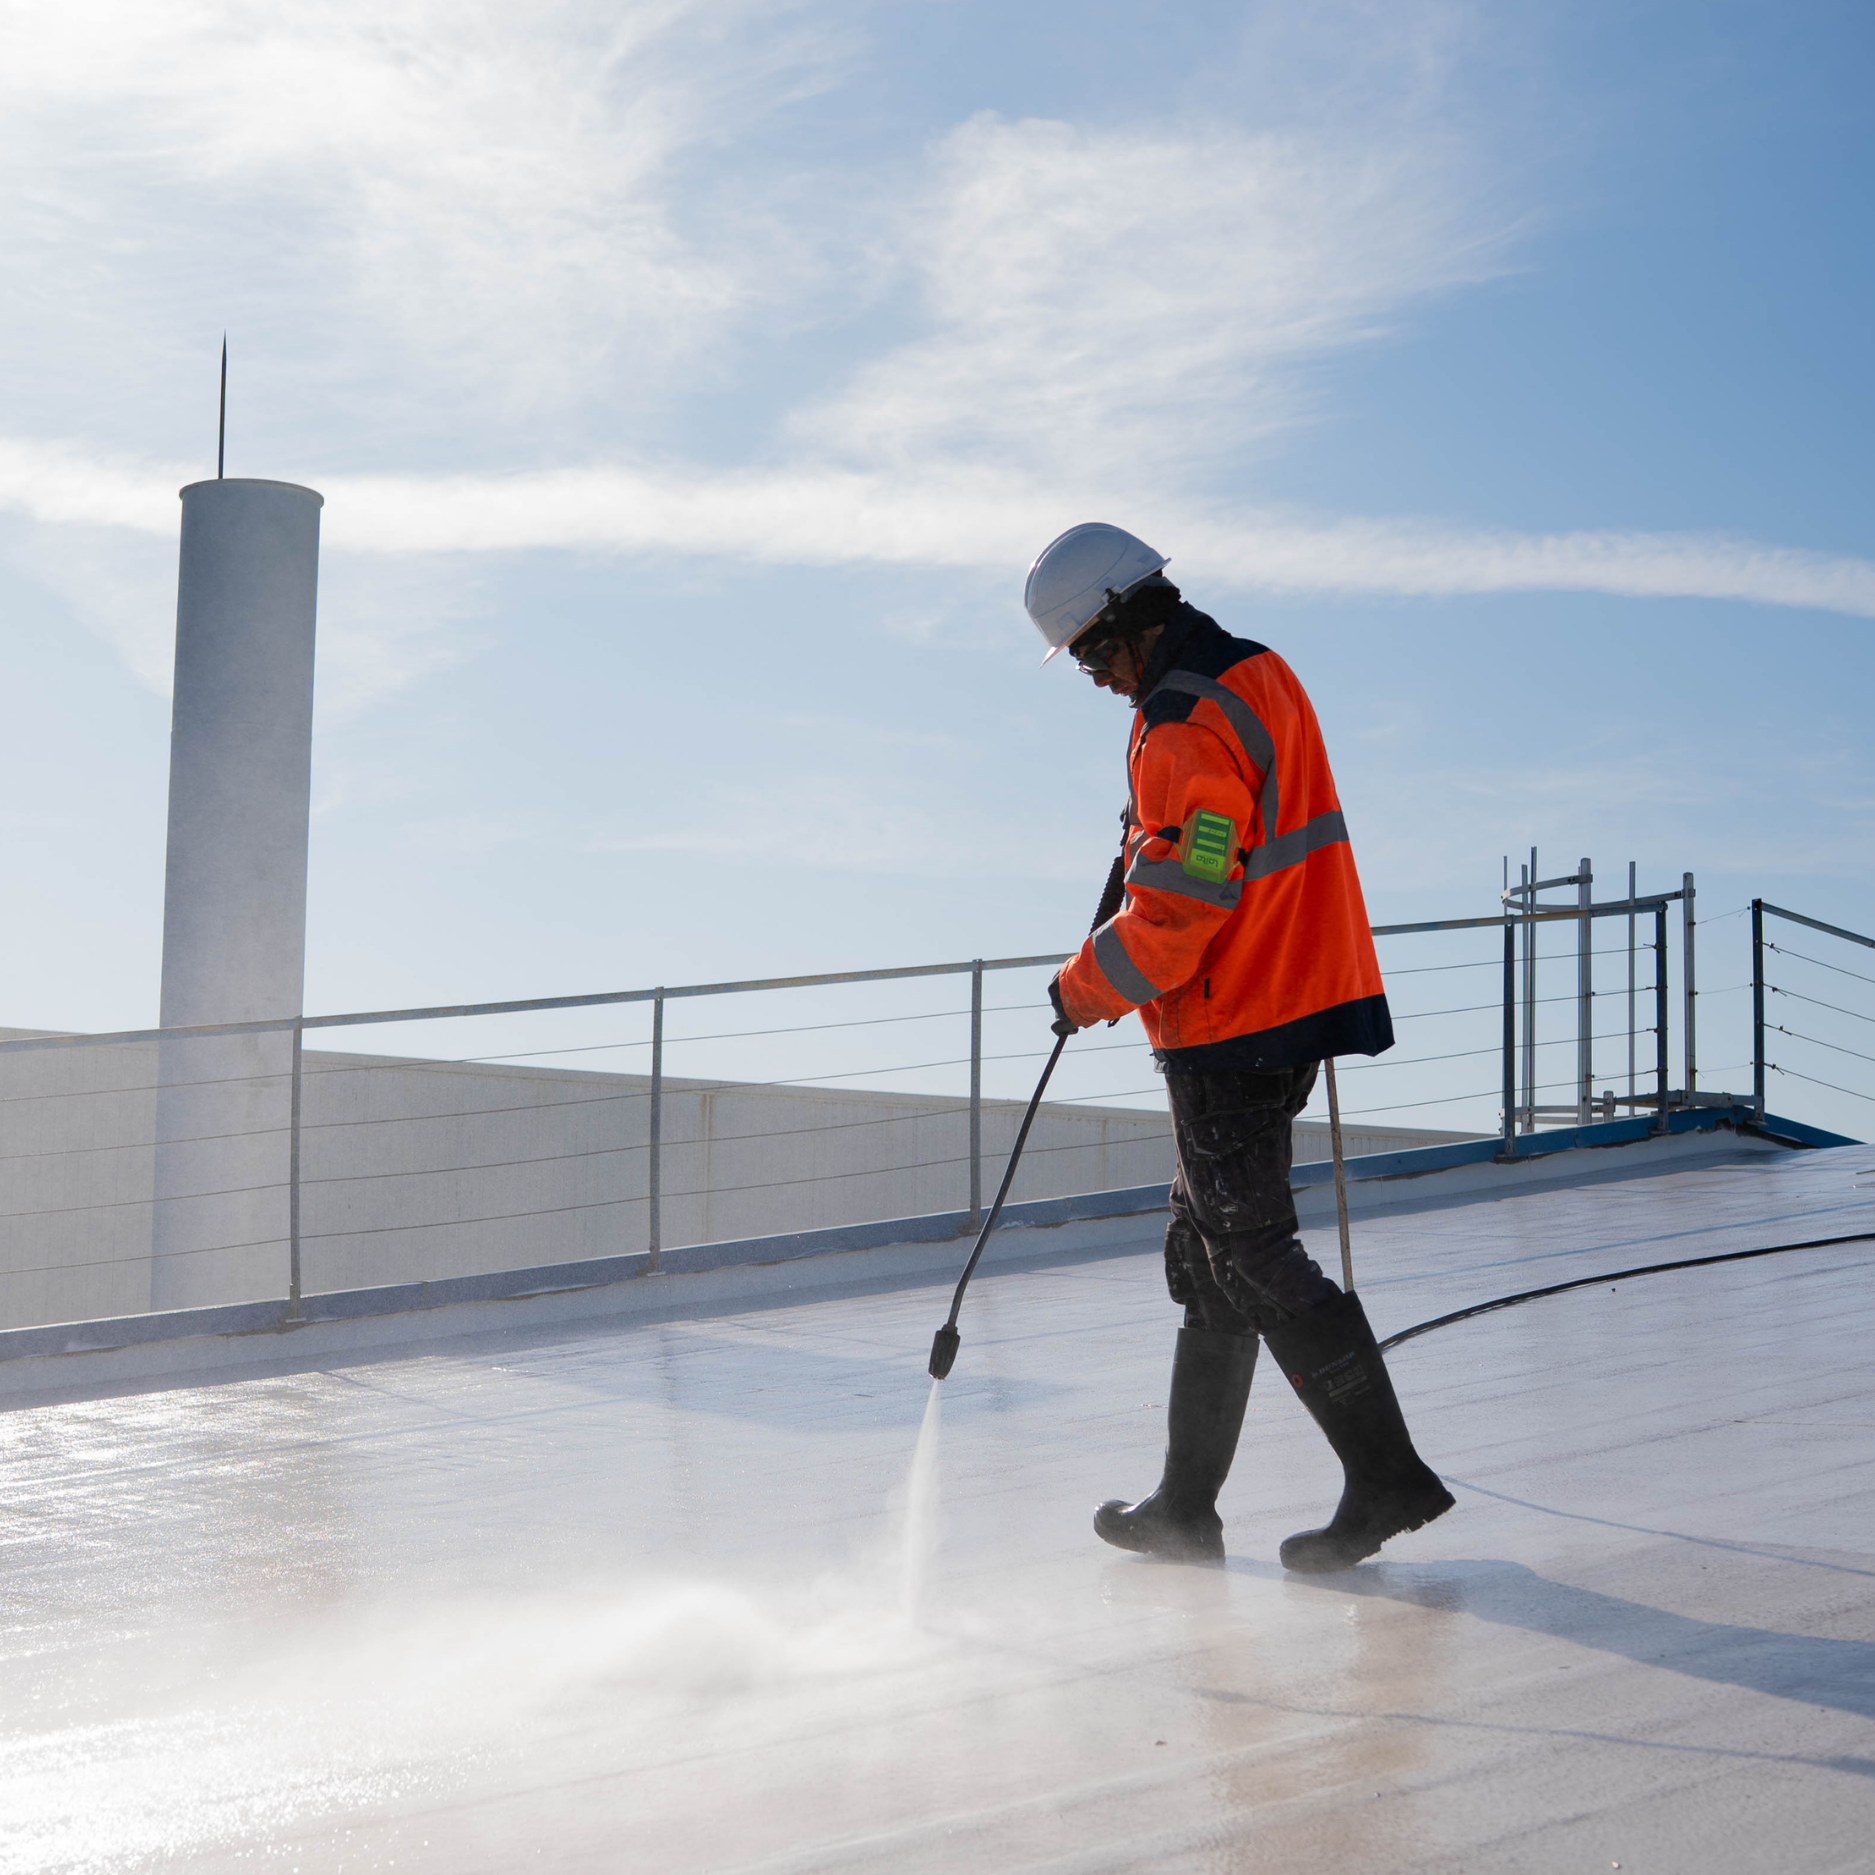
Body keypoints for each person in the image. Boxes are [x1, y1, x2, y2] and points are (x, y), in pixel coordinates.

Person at [1029, 522, 1453, 1572]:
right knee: (1210, 1252)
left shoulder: (1183, 724)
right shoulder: (1253, 672)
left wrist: (1084, 989)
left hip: (1238, 1015)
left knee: (1251, 1249)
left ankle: (1387, 1479)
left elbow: (1185, 901)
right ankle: (1185, 1506)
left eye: (1090, 651)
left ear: (1133, 617)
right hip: (1280, 990)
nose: (1091, 676)